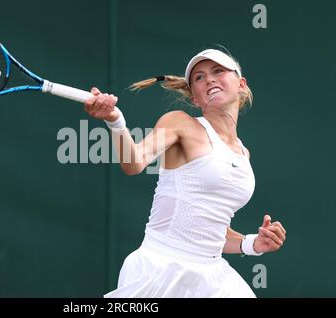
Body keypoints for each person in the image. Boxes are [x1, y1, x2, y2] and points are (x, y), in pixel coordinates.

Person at [83, 48, 286, 298]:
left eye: (218, 71)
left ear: (241, 84)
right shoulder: (180, 123)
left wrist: (251, 244)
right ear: (195, 99)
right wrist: (115, 121)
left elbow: (208, 228)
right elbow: (134, 163)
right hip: (160, 270)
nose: (209, 79)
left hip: (214, 278)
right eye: (199, 77)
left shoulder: (244, 154)